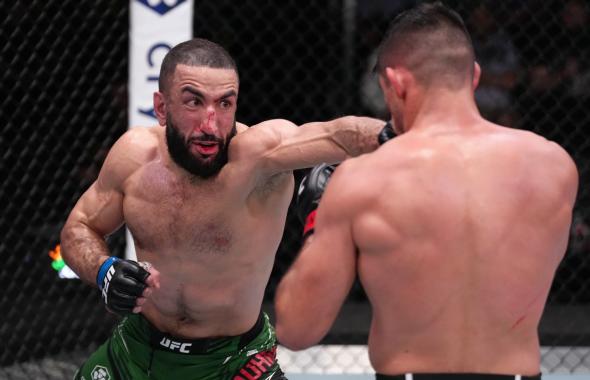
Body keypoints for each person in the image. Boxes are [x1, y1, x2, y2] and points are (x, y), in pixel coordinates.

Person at [274, 3, 579, 380]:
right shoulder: (554, 167)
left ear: (396, 83)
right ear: (476, 76)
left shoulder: (363, 181)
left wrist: (319, 220)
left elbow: (296, 328)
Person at [60, 38, 387, 380]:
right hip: (135, 349)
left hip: (233, 363)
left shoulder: (260, 159)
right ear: (161, 108)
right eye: (194, 102)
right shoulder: (133, 158)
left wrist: (406, 133)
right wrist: (103, 269)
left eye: (225, 104)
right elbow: (78, 228)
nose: (211, 125)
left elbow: (338, 135)